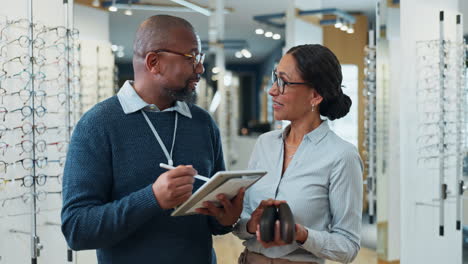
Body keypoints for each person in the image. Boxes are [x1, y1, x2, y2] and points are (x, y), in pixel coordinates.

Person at [61, 15, 244, 264]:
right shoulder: (97, 125)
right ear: (154, 62)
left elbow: (213, 222)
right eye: (191, 58)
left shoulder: (203, 123)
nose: (200, 68)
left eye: (200, 58)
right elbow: (77, 229)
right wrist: (152, 198)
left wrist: (225, 218)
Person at [233, 44, 363, 264]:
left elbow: (348, 247)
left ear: (315, 95)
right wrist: (250, 224)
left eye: (284, 82)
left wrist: (302, 235)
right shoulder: (265, 144)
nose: (272, 90)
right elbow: (241, 220)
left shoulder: (342, 156)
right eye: (275, 78)